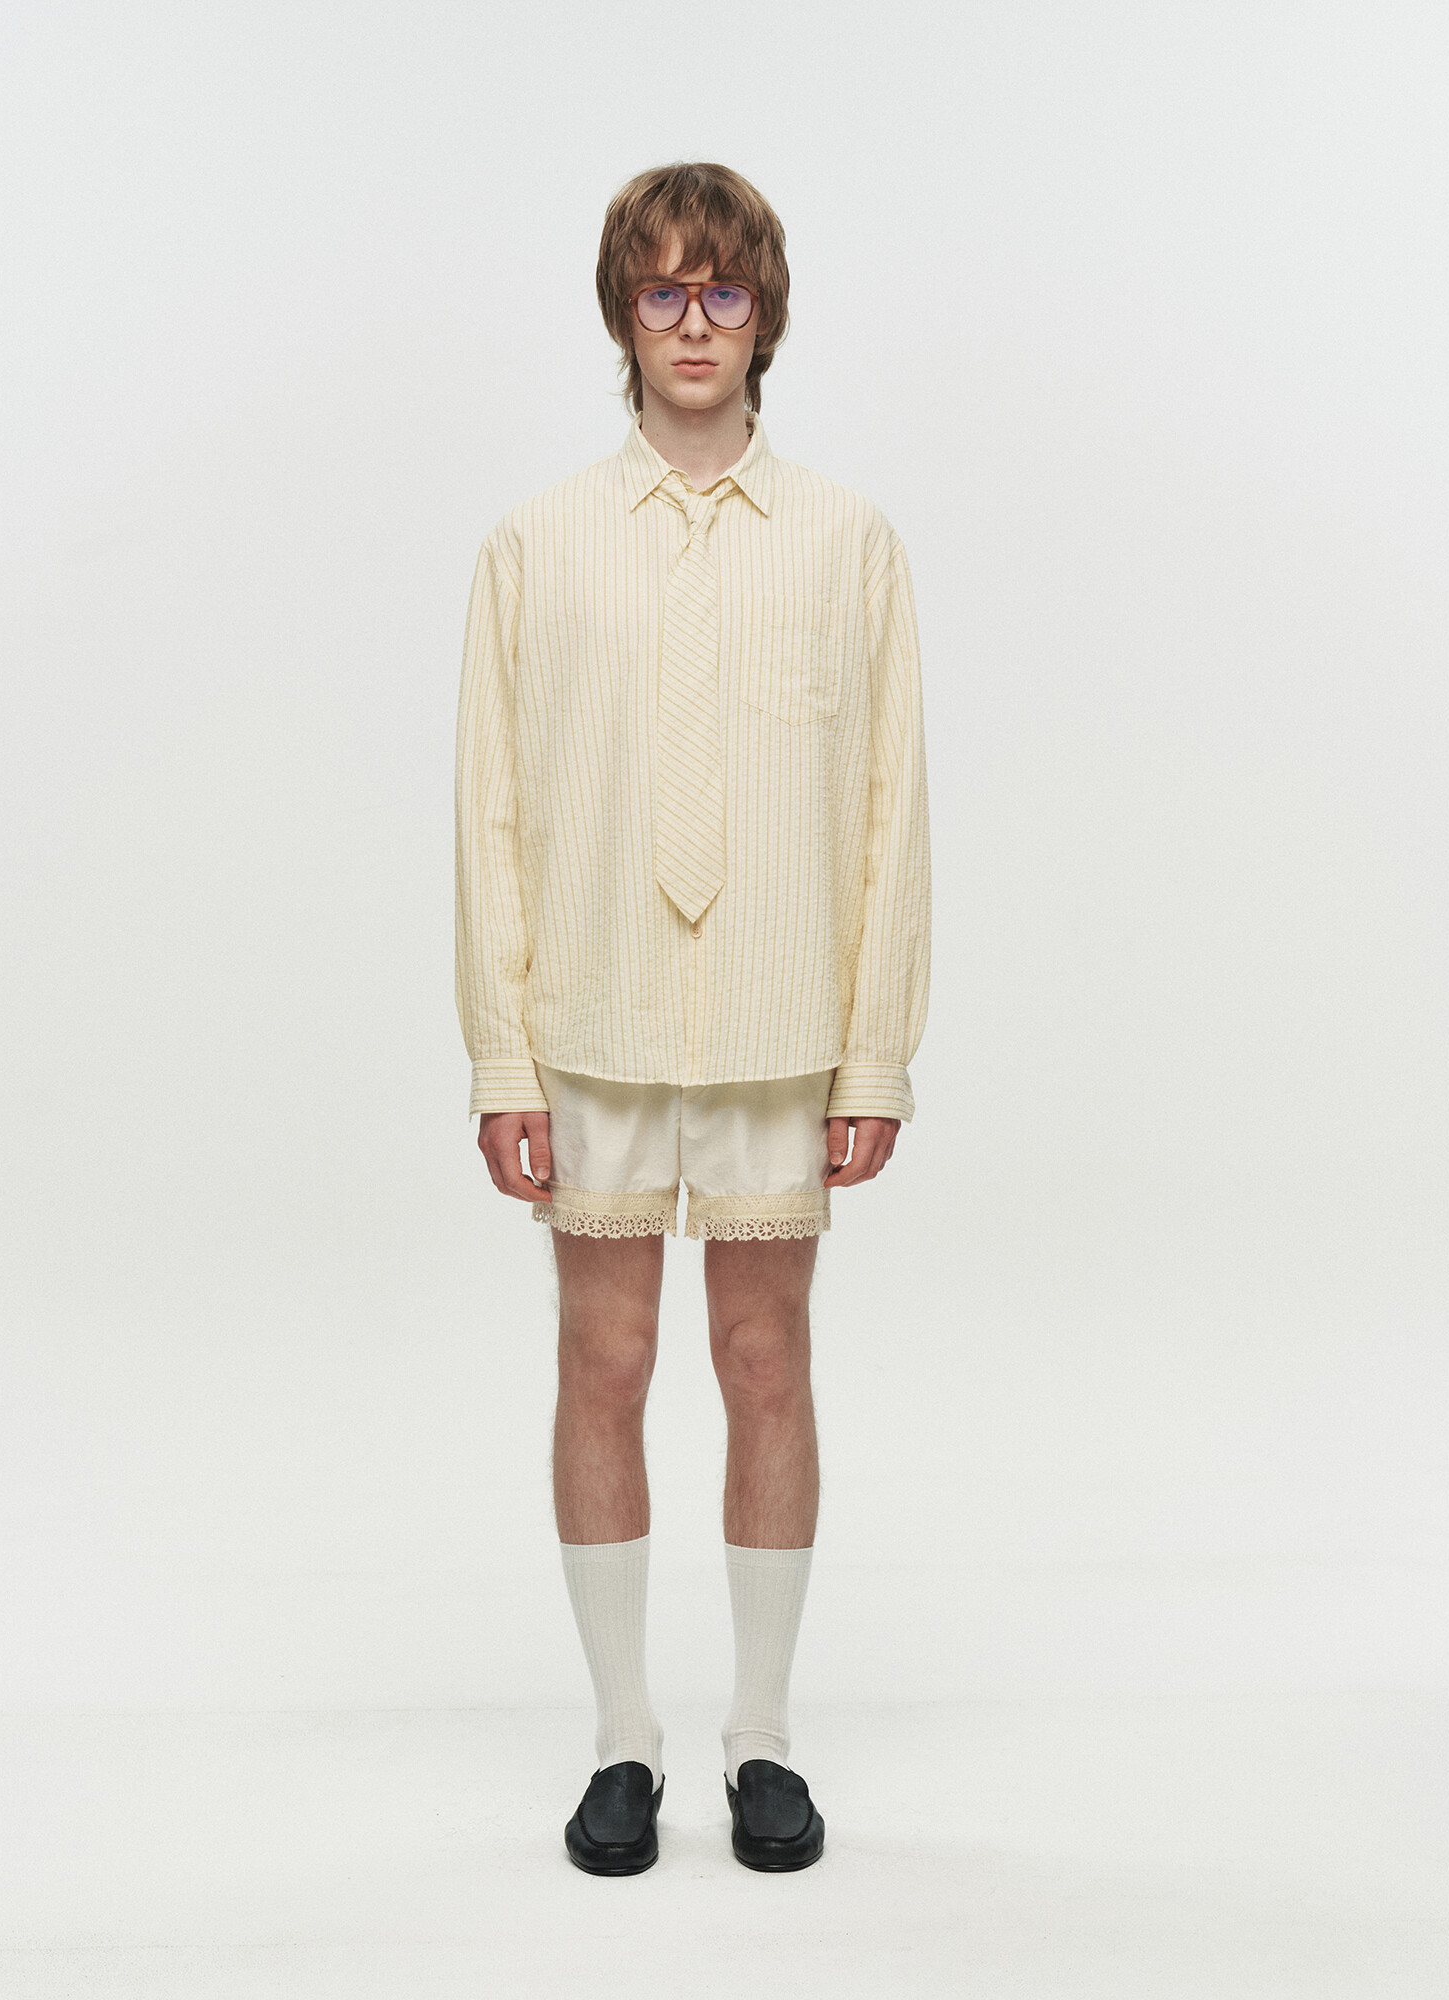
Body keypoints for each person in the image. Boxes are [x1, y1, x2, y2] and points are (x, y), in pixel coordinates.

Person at [454, 161, 931, 1874]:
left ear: (765, 311)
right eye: (662, 291)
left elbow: (888, 811)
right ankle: (622, 1740)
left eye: (723, 291)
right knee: (604, 1358)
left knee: (763, 1357)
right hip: (591, 1014)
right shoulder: (535, 546)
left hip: (777, 1019)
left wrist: (875, 1052)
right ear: (622, 314)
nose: (694, 323)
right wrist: (501, 1055)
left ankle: (763, 1736)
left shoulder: (849, 543)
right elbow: (493, 811)